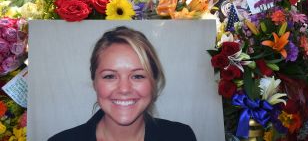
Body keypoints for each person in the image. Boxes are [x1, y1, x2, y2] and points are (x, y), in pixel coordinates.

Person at [48, 26, 197, 141]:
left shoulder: (181, 136)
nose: (124, 89)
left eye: (138, 76)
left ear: (153, 82)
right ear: (95, 83)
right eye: (110, 76)